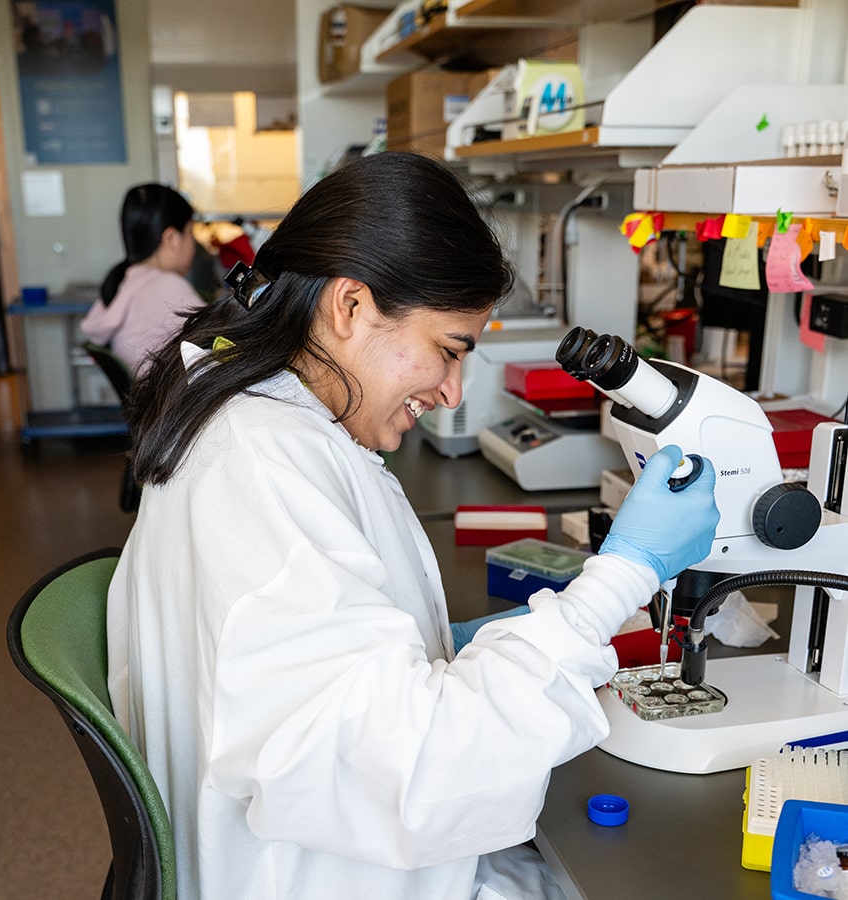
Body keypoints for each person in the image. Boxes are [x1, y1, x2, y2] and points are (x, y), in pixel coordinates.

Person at [107, 152, 720, 900]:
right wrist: (620, 576)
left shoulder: (256, 413)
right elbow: (415, 771)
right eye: (448, 350)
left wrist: (448, 641)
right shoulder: (264, 461)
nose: (454, 392)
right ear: (350, 306)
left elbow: (320, 650)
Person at [81, 182, 204, 376]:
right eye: (190, 233)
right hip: (167, 395)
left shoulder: (126, 281)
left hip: (147, 394)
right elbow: (218, 342)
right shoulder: (167, 286)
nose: (194, 245)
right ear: (171, 238)